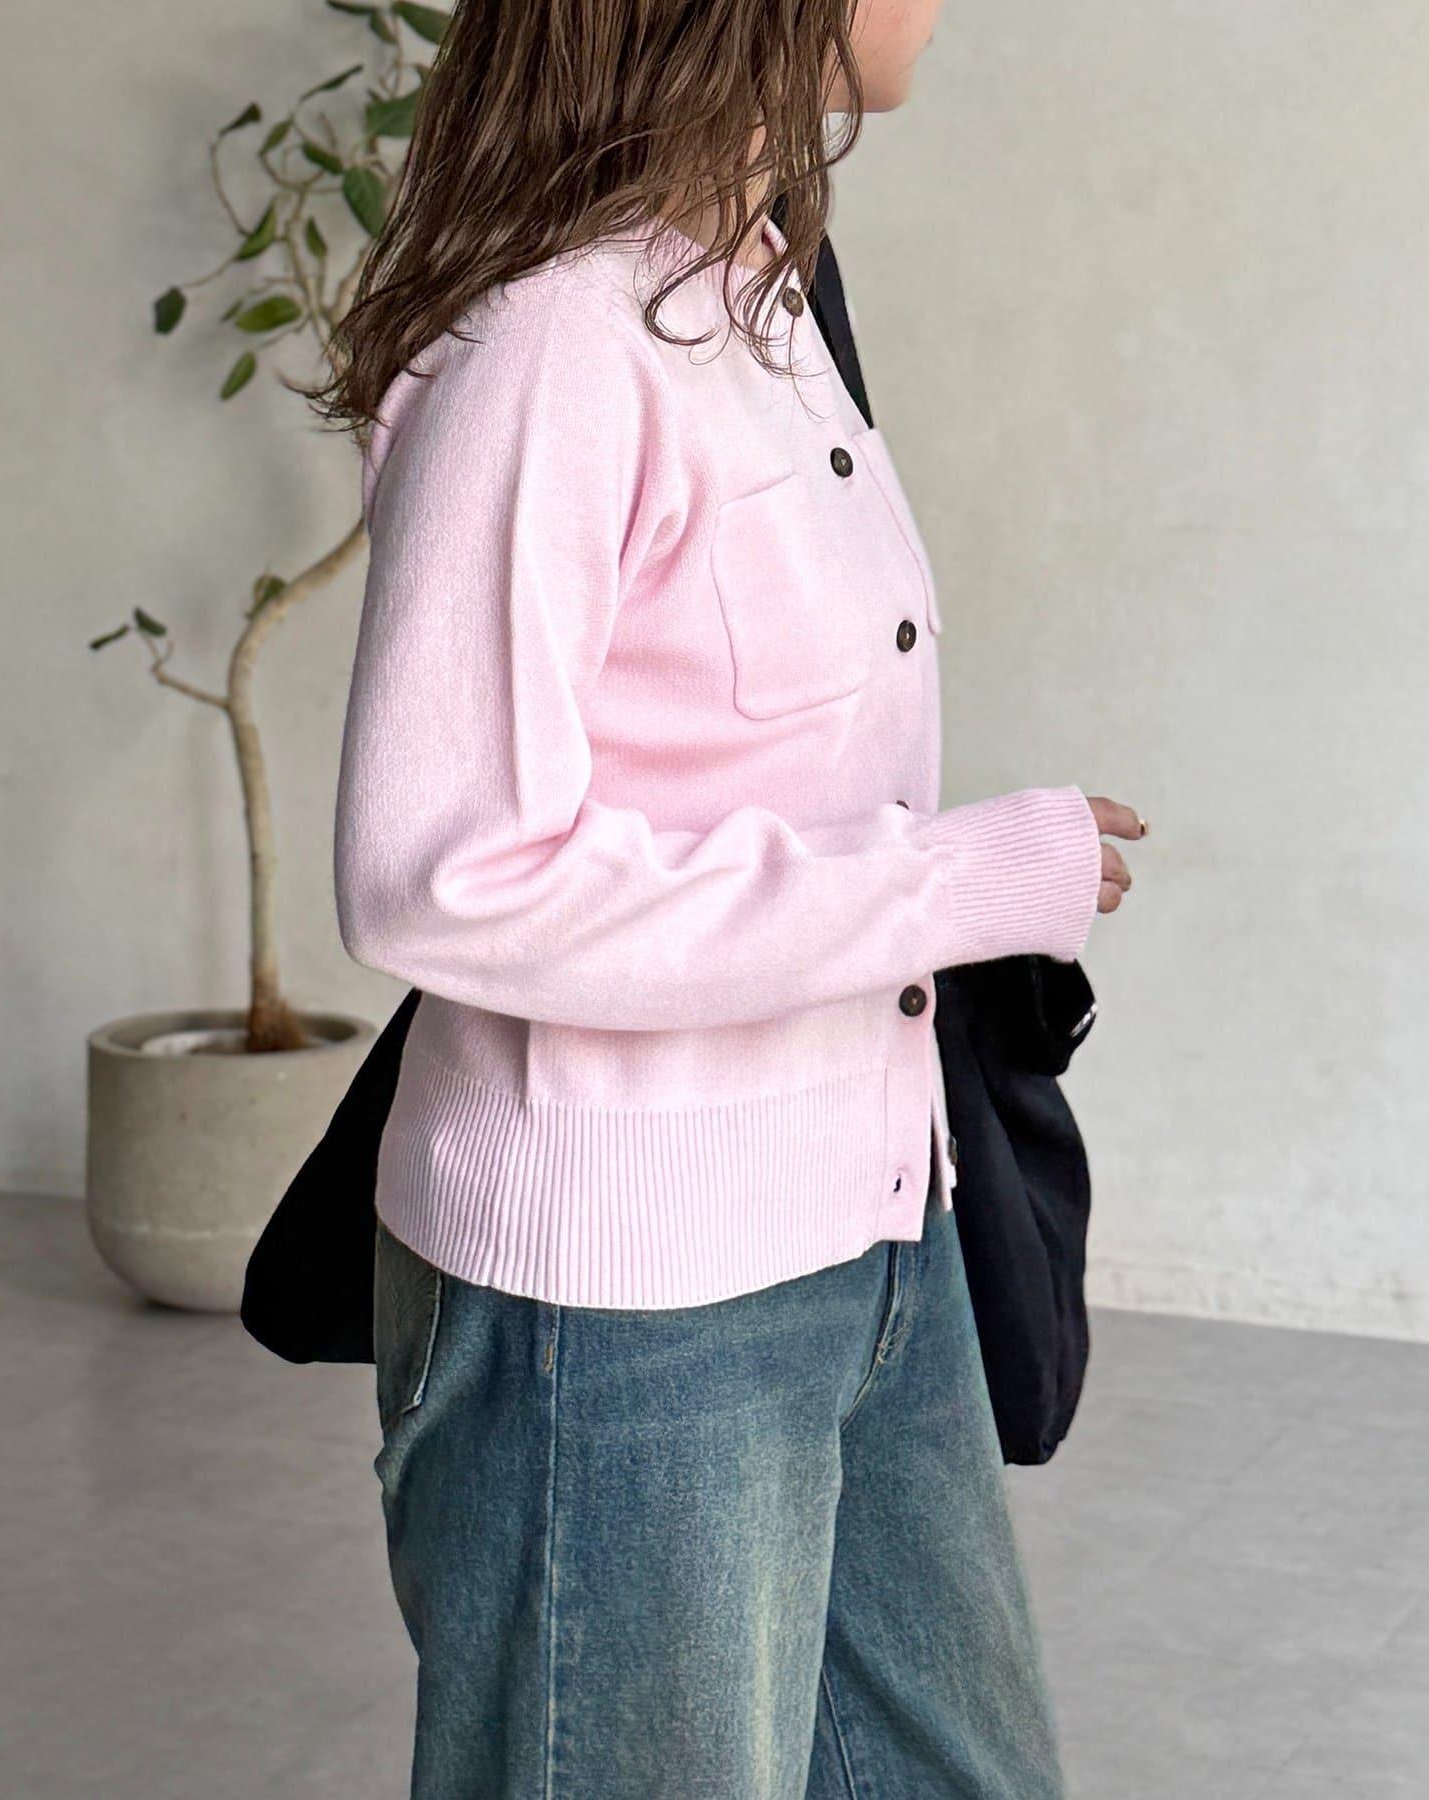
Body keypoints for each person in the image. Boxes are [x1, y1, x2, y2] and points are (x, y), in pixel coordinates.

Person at [318, 0, 1143, 1792]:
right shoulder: (553, 342)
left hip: (873, 1231)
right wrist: (950, 883)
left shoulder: (764, 302)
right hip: (629, 1312)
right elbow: (443, 874)